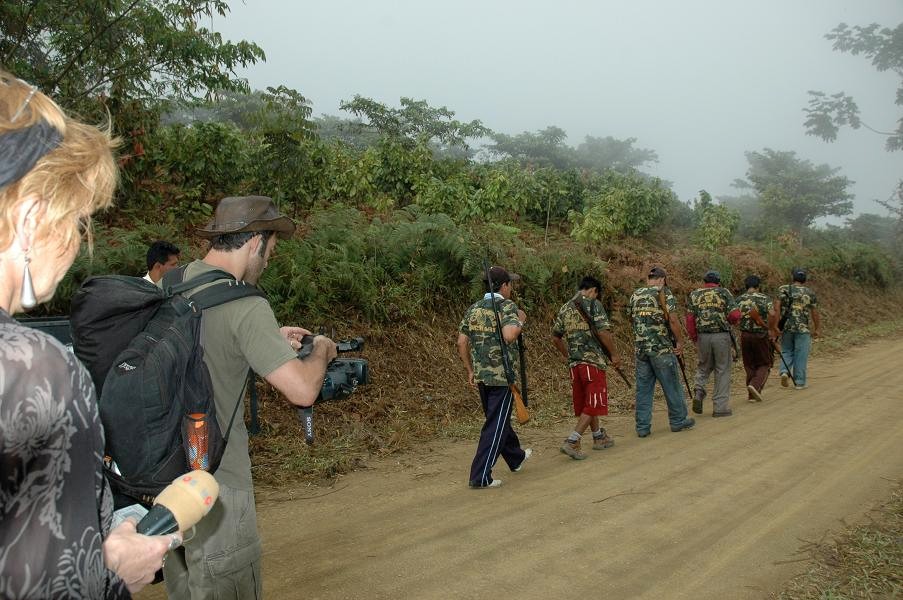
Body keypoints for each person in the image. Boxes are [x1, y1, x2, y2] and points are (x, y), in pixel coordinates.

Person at [0, 73, 177, 598]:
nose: (80, 243)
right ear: (31, 218)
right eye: (78, 221)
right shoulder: (38, 371)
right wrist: (118, 570)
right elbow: (55, 582)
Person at [160, 195, 337, 599]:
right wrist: (324, 348)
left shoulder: (174, 282)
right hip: (219, 482)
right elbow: (303, 390)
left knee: (185, 587)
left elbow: (203, 348)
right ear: (254, 243)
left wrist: (268, 343)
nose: (268, 262)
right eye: (271, 251)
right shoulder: (244, 302)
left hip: (168, 478)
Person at [456, 265, 531, 488]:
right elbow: (509, 335)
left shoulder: (474, 309)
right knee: (495, 425)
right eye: (511, 284)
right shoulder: (507, 306)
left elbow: (461, 342)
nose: (512, 288)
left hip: (481, 375)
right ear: (504, 285)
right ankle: (480, 476)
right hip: (501, 377)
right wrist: (520, 320)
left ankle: (515, 457)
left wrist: (470, 369)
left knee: (497, 420)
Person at [551, 276, 622, 460]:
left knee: (589, 401)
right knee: (595, 402)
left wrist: (568, 355)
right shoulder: (594, 304)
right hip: (592, 362)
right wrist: (614, 354)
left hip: (575, 365)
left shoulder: (565, 308)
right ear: (593, 290)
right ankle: (573, 440)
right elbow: (602, 332)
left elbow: (556, 337)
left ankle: (598, 437)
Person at [626, 266, 695, 437]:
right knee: (671, 385)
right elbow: (672, 320)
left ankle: (642, 427)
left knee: (643, 389)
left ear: (648, 279)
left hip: (641, 349)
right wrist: (679, 341)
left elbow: (631, 317)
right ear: (662, 280)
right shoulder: (664, 293)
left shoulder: (635, 295)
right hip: (661, 349)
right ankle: (678, 420)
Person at [686, 270, 740, 417]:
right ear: (718, 282)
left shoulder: (695, 294)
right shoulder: (723, 292)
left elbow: (690, 319)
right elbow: (735, 314)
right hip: (721, 336)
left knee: (703, 366)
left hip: (703, 337)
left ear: (704, 282)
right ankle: (720, 407)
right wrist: (731, 321)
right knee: (722, 369)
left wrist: (694, 338)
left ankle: (699, 390)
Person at [774, 268, 820, 390]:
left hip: (787, 327)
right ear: (804, 280)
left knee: (787, 350)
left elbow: (777, 308)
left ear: (793, 278)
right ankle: (799, 382)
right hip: (802, 329)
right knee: (801, 354)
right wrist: (817, 328)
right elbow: (814, 312)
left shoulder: (783, 289)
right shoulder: (809, 292)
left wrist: (775, 325)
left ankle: (784, 371)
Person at [736, 274, 775, 402]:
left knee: (749, 364)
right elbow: (772, 314)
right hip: (760, 335)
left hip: (745, 335)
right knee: (765, 363)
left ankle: (751, 395)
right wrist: (771, 328)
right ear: (758, 286)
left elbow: (733, 316)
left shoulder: (739, 299)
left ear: (746, 286)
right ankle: (755, 386)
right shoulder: (765, 298)